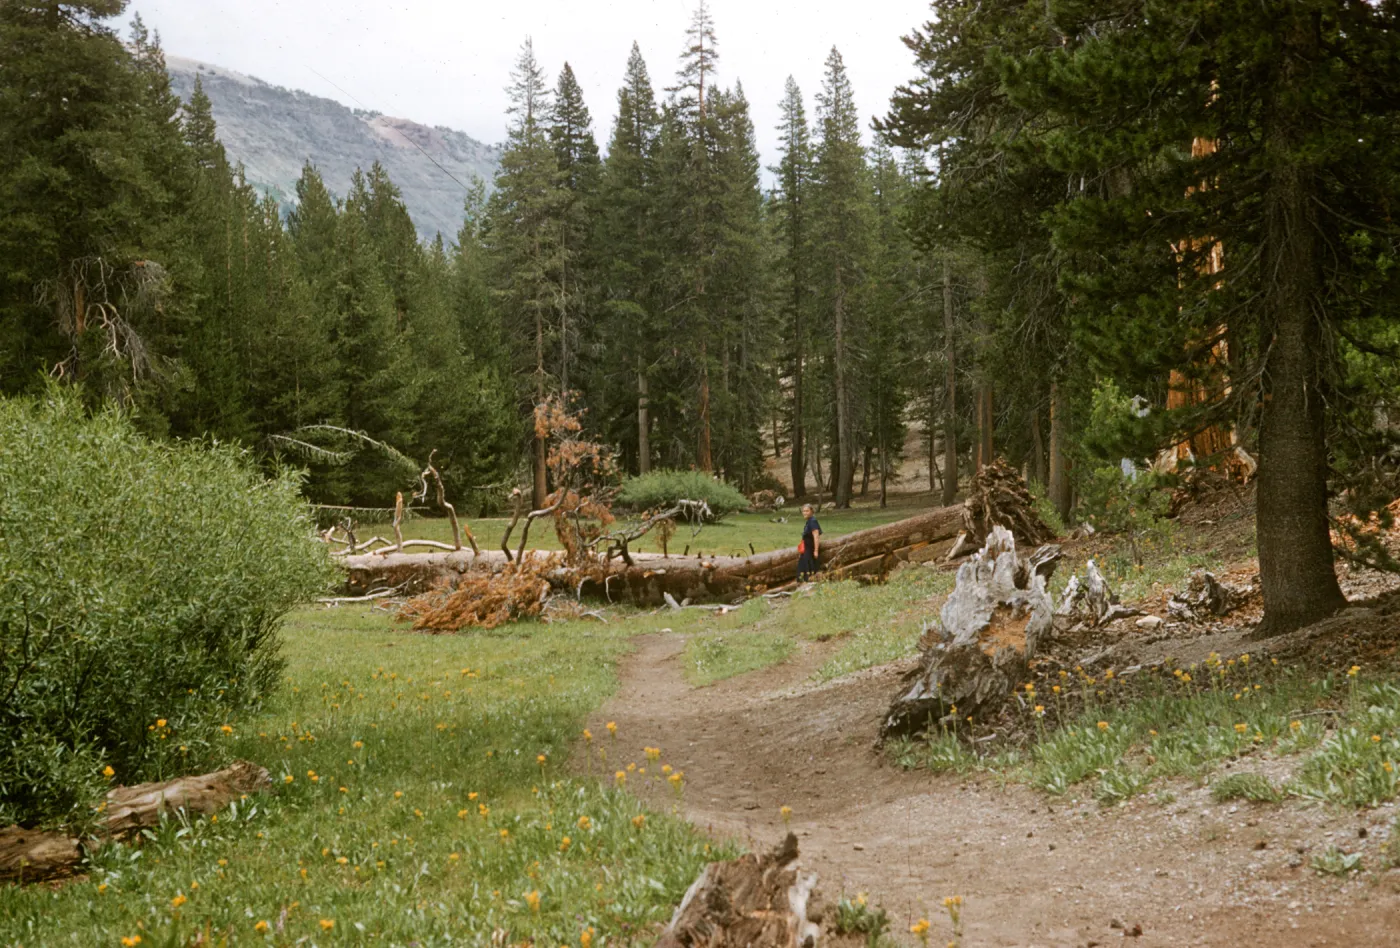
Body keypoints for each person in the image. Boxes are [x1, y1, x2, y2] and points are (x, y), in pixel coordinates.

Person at [797, 504, 822, 580]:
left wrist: (816, 551)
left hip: (810, 549)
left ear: (812, 511)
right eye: (803, 511)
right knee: (803, 568)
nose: (805, 513)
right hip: (806, 549)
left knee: (807, 569)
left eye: (807, 511)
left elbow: (816, 536)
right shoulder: (809, 521)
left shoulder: (813, 521)